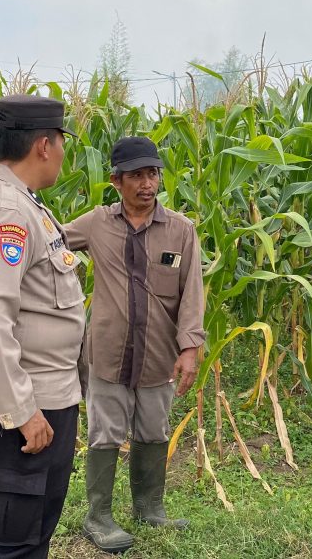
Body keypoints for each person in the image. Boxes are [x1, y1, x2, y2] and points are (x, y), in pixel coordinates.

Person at [0, 94, 84, 559]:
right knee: (11, 541)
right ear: (43, 146)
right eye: (62, 143)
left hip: (46, 395)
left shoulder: (27, 205)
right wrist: (20, 411)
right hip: (24, 407)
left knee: (34, 531)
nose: (64, 154)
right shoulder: (8, 212)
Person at [65, 136, 206, 554]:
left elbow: (192, 294)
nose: (148, 183)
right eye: (137, 175)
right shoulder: (95, 224)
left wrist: (190, 348)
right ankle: (99, 517)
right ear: (116, 181)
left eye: (153, 173)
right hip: (107, 353)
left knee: (153, 429)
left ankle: (149, 507)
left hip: (159, 354)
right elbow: (48, 245)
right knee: (105, 432)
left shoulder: (181, 230)